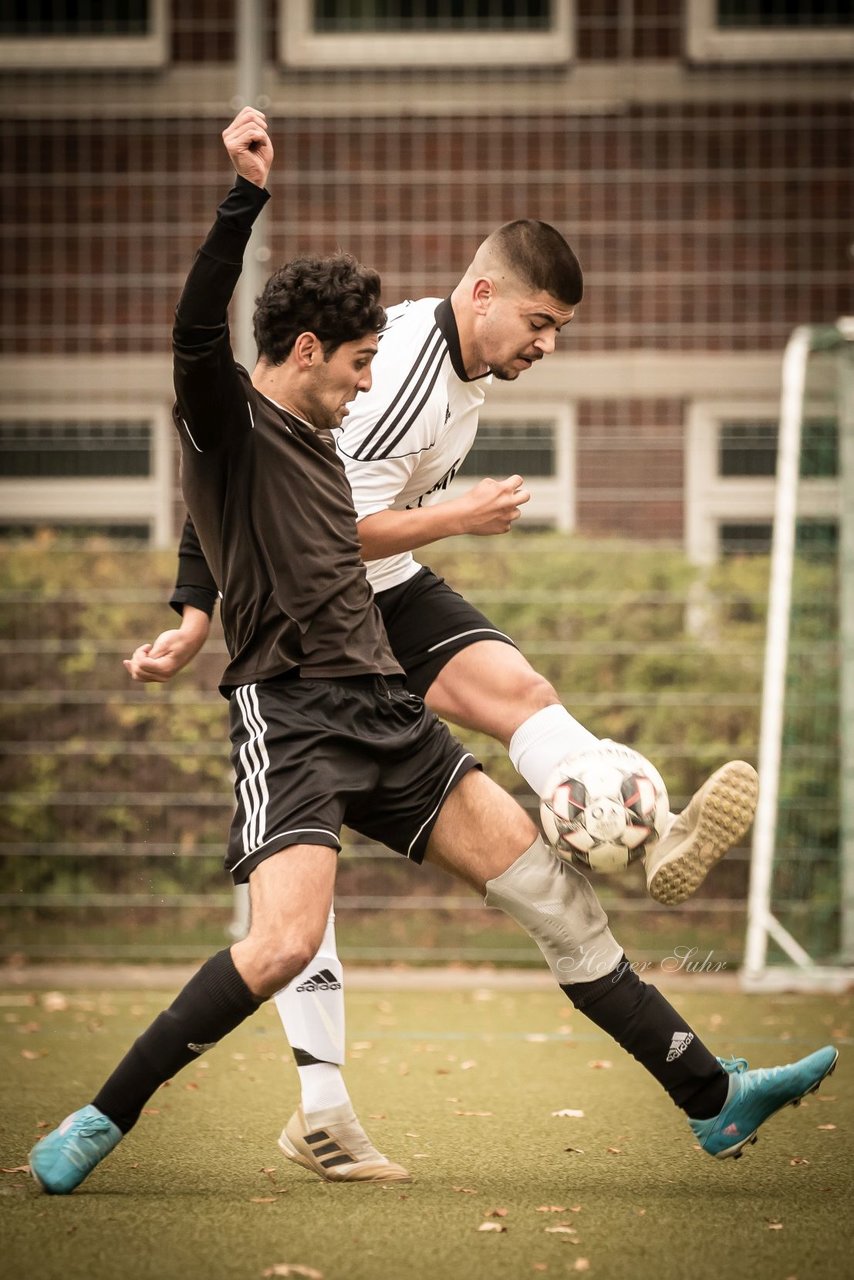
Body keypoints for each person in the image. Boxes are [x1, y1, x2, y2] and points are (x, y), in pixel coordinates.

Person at [30, 109, 836, 1197]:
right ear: (307, 350)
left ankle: (709, 1095)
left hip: (387, 714)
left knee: (556, 897)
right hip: (295, 720)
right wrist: (244, 199)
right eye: (359, 364)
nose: (372, 384)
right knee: (277, 943)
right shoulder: (225, 417)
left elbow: (207, 523)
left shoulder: (316, 438)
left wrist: (187, 605)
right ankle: (98, 1114)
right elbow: (192, 336)